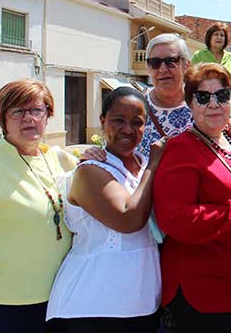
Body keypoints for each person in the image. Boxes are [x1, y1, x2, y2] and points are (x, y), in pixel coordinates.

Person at [153, 63, 231, 333]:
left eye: (222, 96)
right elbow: (174, 218)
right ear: (190, 103)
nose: (213, 104)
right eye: (203, 97)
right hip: (203, 291)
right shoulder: (181, 149)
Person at [46, 87, 162, 332]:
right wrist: (155, 163)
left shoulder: (140, 166)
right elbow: (128, 218)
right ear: (102, 121)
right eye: (118, 120)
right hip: (91, 304)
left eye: (137, 122)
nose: (128, 129)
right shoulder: (90, 170)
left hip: (142, 301)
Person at [0, 79, 76, 333]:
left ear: (48, 115)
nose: (29, 118)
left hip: (59, 296)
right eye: (18, 111)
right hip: (4, 300)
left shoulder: (59, 159)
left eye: (36, 110)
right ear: (2, 118)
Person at [190, 23, 231, 113]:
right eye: (216, 34)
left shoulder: (230, 57)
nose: (219, 37)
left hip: (226, 104)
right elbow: (191, 82)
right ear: (209, 37)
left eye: (222, 35)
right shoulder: (198, 56)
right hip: (205, 104)